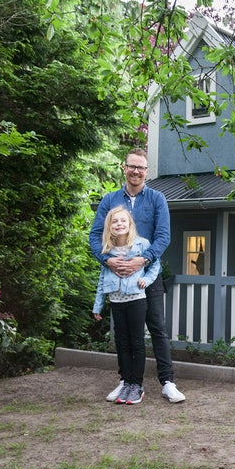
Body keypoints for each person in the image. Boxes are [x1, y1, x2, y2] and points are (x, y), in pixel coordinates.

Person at [89, 148, 186, 403]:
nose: (136, 171)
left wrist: (143, 260)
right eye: (132, 166)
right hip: (118, 277)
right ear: (125, 168)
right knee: (123, 333)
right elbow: (94, 236)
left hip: (147, 276)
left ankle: (167, 382)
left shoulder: (157, 199)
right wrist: (108, 261)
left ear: (147, 171)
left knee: (157, 328)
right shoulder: (109, 200)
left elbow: (163, 236)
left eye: (141, 167)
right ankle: (126, 381)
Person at [93, 206, 160, 404]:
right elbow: (102, 280)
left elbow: (155, 264)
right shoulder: (107, 251)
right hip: (116, 302)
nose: (119, 224)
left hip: (136, 300)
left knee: (136, 342)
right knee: (122, 343)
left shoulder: (141, 245)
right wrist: (98, 306)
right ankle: (125, 382)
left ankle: (136, 386)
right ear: (109, 227)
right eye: (115, 222)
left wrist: (146, 280)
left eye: (123, 221)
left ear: (130, 224)